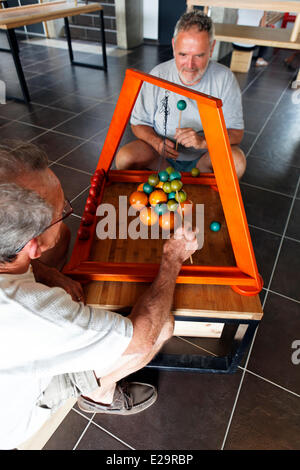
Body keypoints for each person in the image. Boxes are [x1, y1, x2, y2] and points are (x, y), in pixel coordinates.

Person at [0, 143, 198, 449]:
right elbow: (142, 335)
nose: (68, 213)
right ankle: (99, 397)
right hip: (15, 414)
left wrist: (49, 273)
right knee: (163, 327)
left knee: (64, 238)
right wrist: (172, 259)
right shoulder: (32, 314)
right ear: (32, 245)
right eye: (63, 212)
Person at [116, 10, 246, 179]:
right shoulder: (157, 75)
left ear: (211, 48)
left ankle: (208, 192)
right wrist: (156, 142)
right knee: (125, 158)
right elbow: (138, 124)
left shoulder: (225, 79)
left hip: (203, 160)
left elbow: (236, 133)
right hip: (161, 159)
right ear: (173, 45)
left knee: (237, 161)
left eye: (199, 55)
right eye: (183, 54)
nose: (190, 65)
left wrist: (203, 142)